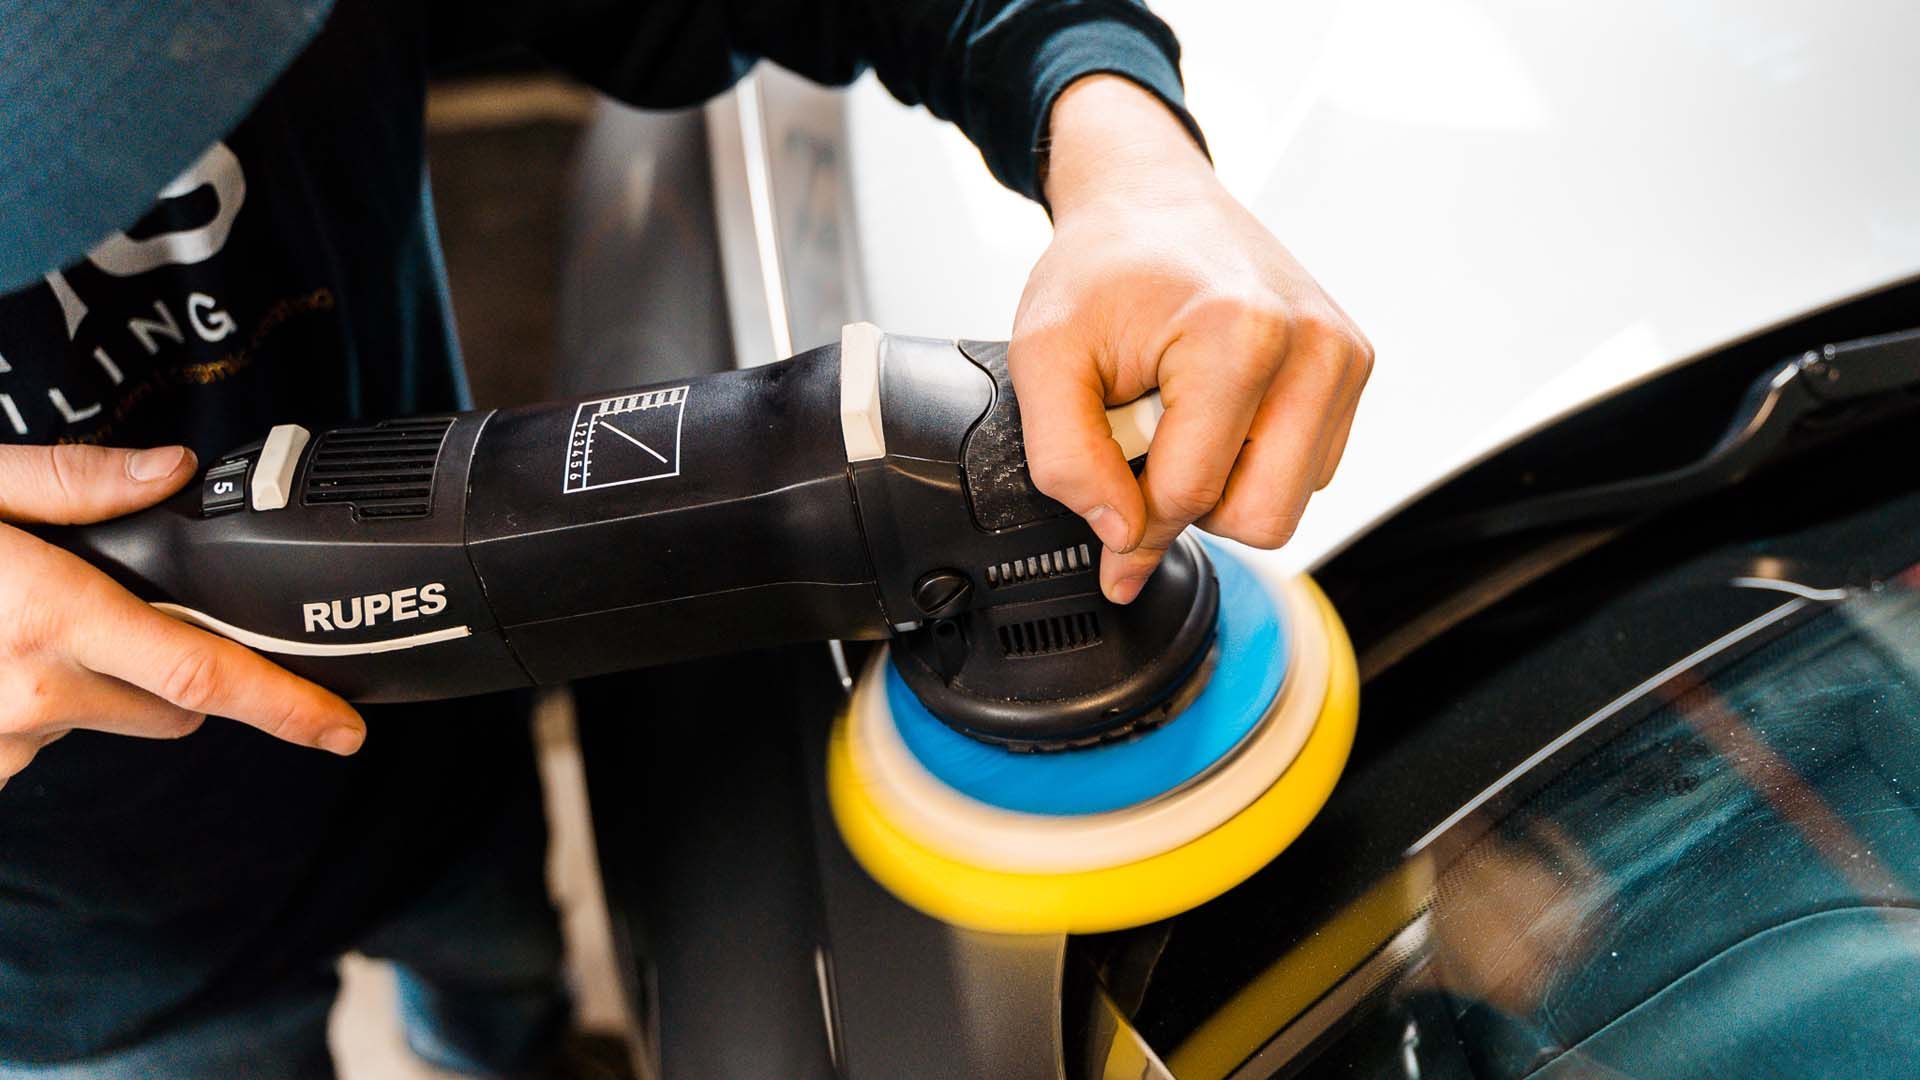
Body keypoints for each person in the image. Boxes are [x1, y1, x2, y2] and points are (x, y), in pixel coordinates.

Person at [0, 0, 1372, 1075]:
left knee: (501, 968)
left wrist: (1123, 140)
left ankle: (518, 1052)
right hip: (83, 973)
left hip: (442, 736)